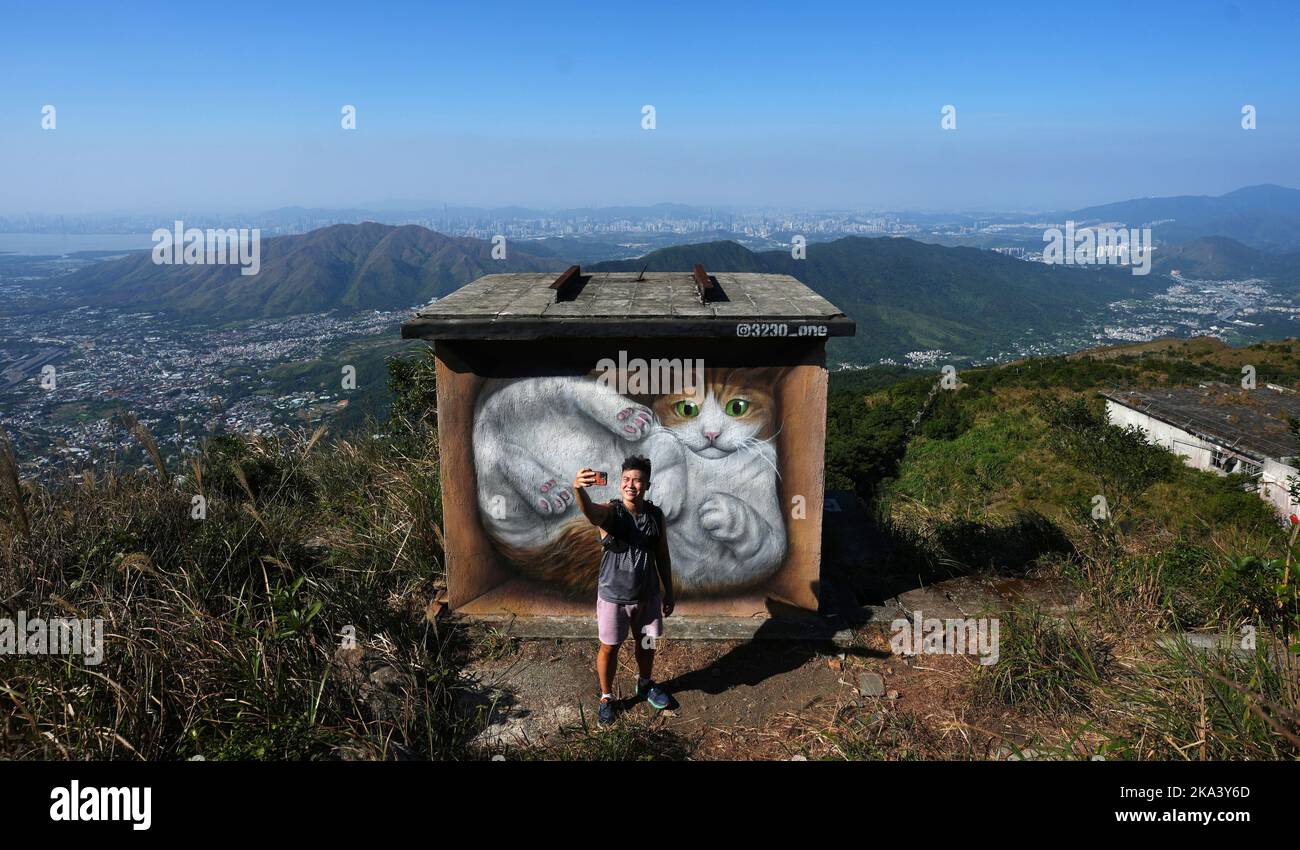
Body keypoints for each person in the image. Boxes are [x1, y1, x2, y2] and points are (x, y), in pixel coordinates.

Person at [573, 455, 675, 726]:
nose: (631, 485)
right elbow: (590, 512)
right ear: (620, 484)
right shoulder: (611, 513)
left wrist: (669, 591)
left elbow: (662, 555)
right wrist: (578, 490)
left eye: (638, 480)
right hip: (613, 598)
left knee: (647, 642)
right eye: (627, 480)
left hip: (648, 595)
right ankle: (606, 698)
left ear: (647, 485)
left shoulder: (655, 515)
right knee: (609, 647)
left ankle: (645, 684)